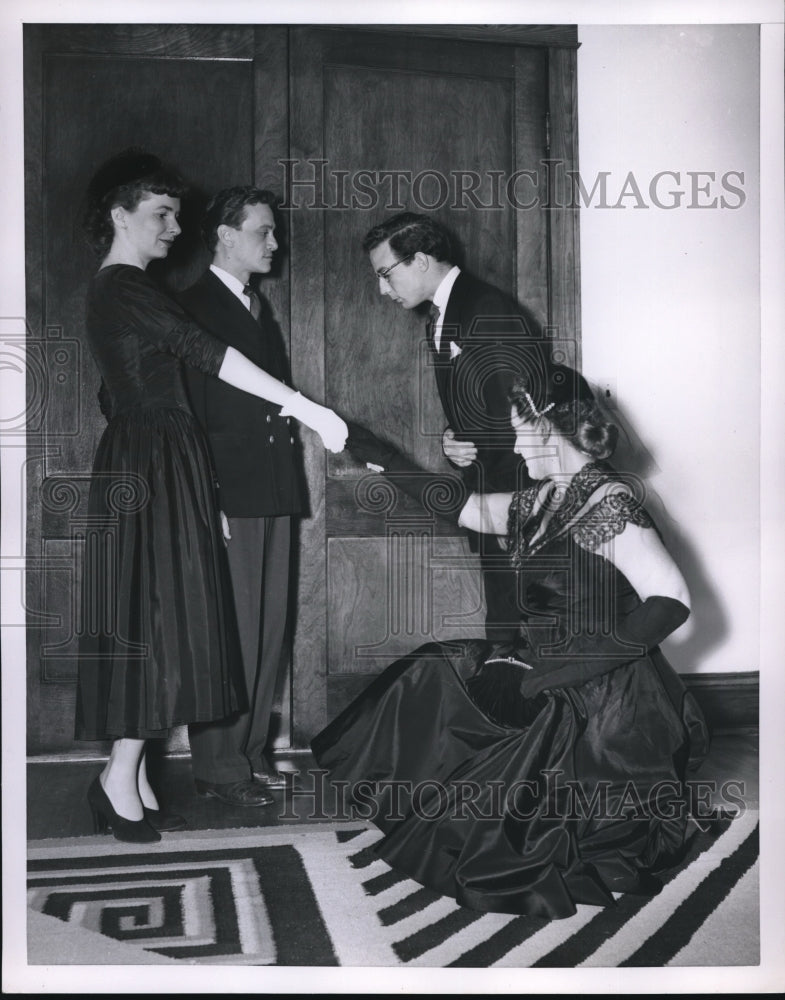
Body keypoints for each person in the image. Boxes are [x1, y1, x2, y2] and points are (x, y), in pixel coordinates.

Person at [311, 365, 710, 918]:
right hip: (537, 658)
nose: (514, 443)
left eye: (521, 430)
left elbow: (669, 602)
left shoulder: (610, 502)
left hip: (601, 690)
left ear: (552, 428)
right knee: (436, 668)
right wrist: (371, 448)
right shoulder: (543, 498)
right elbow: (465, 507)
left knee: (497, 808)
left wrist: (557, 673)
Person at [75, 149, 347, 843]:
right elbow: (204, 352)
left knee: (157, 615)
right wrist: (305, 408)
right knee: (161, 618)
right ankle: (119, 774)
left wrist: (146, 439)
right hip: (159, 455)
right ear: (118, 216)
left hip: (156, 453)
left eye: (175, 214)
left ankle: (125, 770)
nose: (173, 227)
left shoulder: (124, 290)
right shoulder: (122, 285)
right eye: (159, 214)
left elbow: (117, 391)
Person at [362, 212, 552, 643]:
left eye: (386, 274)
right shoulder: (445, 313)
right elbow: (487, 404)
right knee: (507, 629)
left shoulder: (486, 308)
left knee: (520, 633)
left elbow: (530, 418)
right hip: (494, 496)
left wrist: (519, 517)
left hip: (520, 502)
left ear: (422, 260)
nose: (381, 288)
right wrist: (455, 438)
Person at [179, 187, 304, 806]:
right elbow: (188, 414)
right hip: (229, 494)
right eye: (263, 232)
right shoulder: (191, 307)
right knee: (230, 632)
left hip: (275, 487)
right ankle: (219, 769)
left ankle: (251, 755)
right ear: (225, 236)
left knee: (268, 629)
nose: (274, 244)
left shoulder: (258, 306)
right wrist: (209, 497)